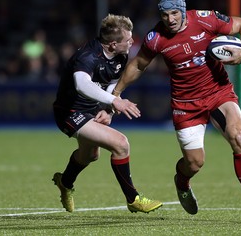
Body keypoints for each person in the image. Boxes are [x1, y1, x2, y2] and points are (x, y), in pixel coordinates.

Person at [112, 0, 241, 219]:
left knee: (237, 136)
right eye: (165, 15)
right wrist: (116, 94)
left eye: (174, 13)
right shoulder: (155, 38)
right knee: (195, 162)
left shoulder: (206, 19)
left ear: (183, 9)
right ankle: (182, 181)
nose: (170, 19)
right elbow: (138, 65)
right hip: (185, 104)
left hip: (218, 92)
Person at [52, 14, 163, 214]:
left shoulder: (120, 55)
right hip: (69, 112)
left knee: (91, 155)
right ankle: (133, 199)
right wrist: (115, 101)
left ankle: (65, 182)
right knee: (121, 144)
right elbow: (81, 84)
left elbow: (111, 82)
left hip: (91, 109)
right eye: (128, 39)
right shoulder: (88, 56)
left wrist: (108, 109)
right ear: (112, 44)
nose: (132, 41)